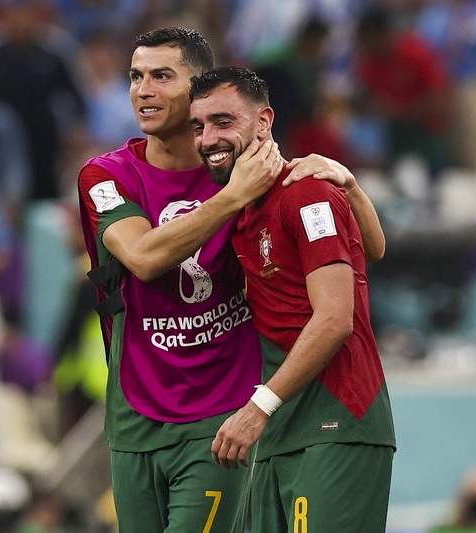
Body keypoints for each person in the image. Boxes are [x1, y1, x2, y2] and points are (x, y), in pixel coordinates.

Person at [77, 27, 385, 533]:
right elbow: (142, 256)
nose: (143, 90)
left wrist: (346, 184)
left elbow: (363, 254)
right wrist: (233, 197)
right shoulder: (107, 176)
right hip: (133, 417)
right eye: (135, 77)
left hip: (223, 416)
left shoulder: (246, 171)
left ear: (200, 86)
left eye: (161, 76)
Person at [189, 66, 395, 532]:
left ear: (264, 122)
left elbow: (335, 319)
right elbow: (373, 249)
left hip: (337, 419)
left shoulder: (305, 193)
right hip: (281, 429)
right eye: (198, 126)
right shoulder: (241, 210)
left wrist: (257, 407)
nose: (207, 138)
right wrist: (354, 189)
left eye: (223, 122)